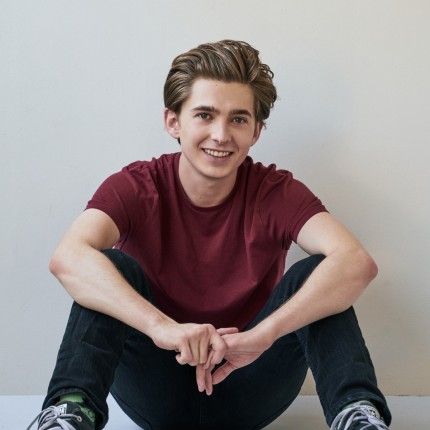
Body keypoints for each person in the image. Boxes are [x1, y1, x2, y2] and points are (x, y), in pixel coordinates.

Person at [27, 40, 391, 430]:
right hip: (154, 387)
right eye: (204, 115)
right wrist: (162, 328)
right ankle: (70, 414)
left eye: (238, 119)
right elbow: (68, 257)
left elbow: (356, 264)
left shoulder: (276, 192)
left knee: (320, 274)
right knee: (106, 266)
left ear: (256, 131)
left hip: (252, 384)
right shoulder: (136, 186)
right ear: (173, 122)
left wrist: (263, 336)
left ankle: (357, 417)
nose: (220, 134)